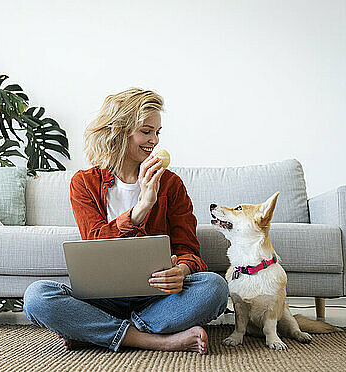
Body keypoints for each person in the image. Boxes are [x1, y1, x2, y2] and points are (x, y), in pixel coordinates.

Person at [23, 88, 229, 354]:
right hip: (101, 299)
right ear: (120, 131)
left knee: (215, 288)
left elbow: (189, 251)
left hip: (157, 297)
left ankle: (96, 333)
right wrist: (143, 206)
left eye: (157, 132)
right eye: (146, 131)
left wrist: (182, 271)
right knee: (37, 297)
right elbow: (95, 241)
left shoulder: (171, 184)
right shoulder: (84, 183)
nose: (154, 140)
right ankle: (155, 340)